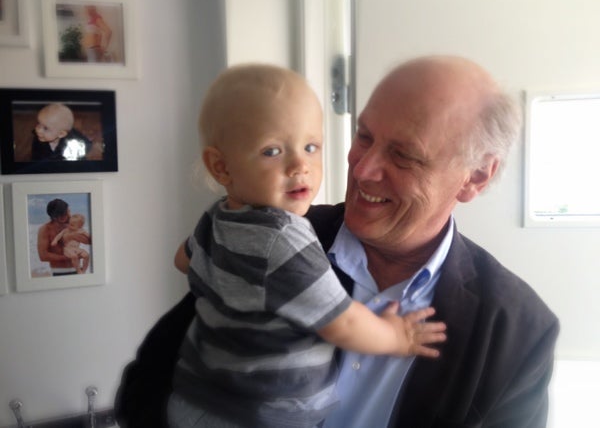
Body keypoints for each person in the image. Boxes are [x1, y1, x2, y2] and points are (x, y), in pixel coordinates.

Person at [115, 55, 560, 428]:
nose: (362, 170)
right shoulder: (268, 237)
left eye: (404, 155)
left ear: (476, 176)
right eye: (364, 136)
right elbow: (146, 386)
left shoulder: (518, 332)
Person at [167, 64, 446, 428]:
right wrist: (396, 337)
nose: (300, 165)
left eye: (311, 147)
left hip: (195, 399)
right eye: (272, 151)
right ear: (221, 167)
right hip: (263, 416)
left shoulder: (215, 219)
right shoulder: (283, 239)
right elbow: (342, 323)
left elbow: (183, 260)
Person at [37, 199, 91, 276]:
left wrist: (73, 236)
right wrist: (71, 257)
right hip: (59, 271)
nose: (68, 215)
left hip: (78, 269)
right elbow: (43, 256)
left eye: (67, 211)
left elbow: (89, 241)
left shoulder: (73, 224)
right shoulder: (45, 229)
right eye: (63, 214)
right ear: (54, 216)